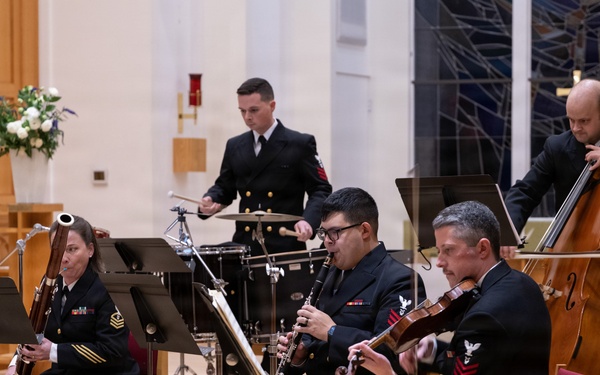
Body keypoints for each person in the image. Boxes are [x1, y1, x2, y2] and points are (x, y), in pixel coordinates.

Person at [346, 201, 551, 375]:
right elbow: (479, 359)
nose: (439, 262)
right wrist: (432, 351)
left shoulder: (485, 316)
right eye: (438, 251)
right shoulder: (522, 282)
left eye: (448, 250)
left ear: (482, 248)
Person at [276, 187, 427, 375]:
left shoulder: (401, 280)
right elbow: (317, 348)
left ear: (364, 230)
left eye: (335, 232)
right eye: (324, 233)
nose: (327, 242)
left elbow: (389, 352)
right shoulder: (329, 273)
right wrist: (301, 355)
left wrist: (332, 332)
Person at [198, 77, 332, 256]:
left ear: (272, 105)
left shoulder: (299, 143)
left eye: (253, 110)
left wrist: (308, 221)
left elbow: (320, 189)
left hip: (284, 247)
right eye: (242, 111)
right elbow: (225, 187)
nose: (247, 117)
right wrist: (210, 199)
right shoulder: (235, 145)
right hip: (245, 245)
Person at [6, 215, 139, 375]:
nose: (63, 258)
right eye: (57, 251)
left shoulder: (107, 289)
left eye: (72, 249)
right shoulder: (51, 284)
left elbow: (111, 351)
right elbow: (33, 333)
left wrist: (53, 351)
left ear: (90, 250)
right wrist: (15, 365)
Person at [503, 78, 600, 258]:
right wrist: (508, 230)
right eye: (571, 120)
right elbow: (525, 192)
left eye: (584, 121)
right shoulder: (557, 148)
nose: (576, 128)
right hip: (570, 254)